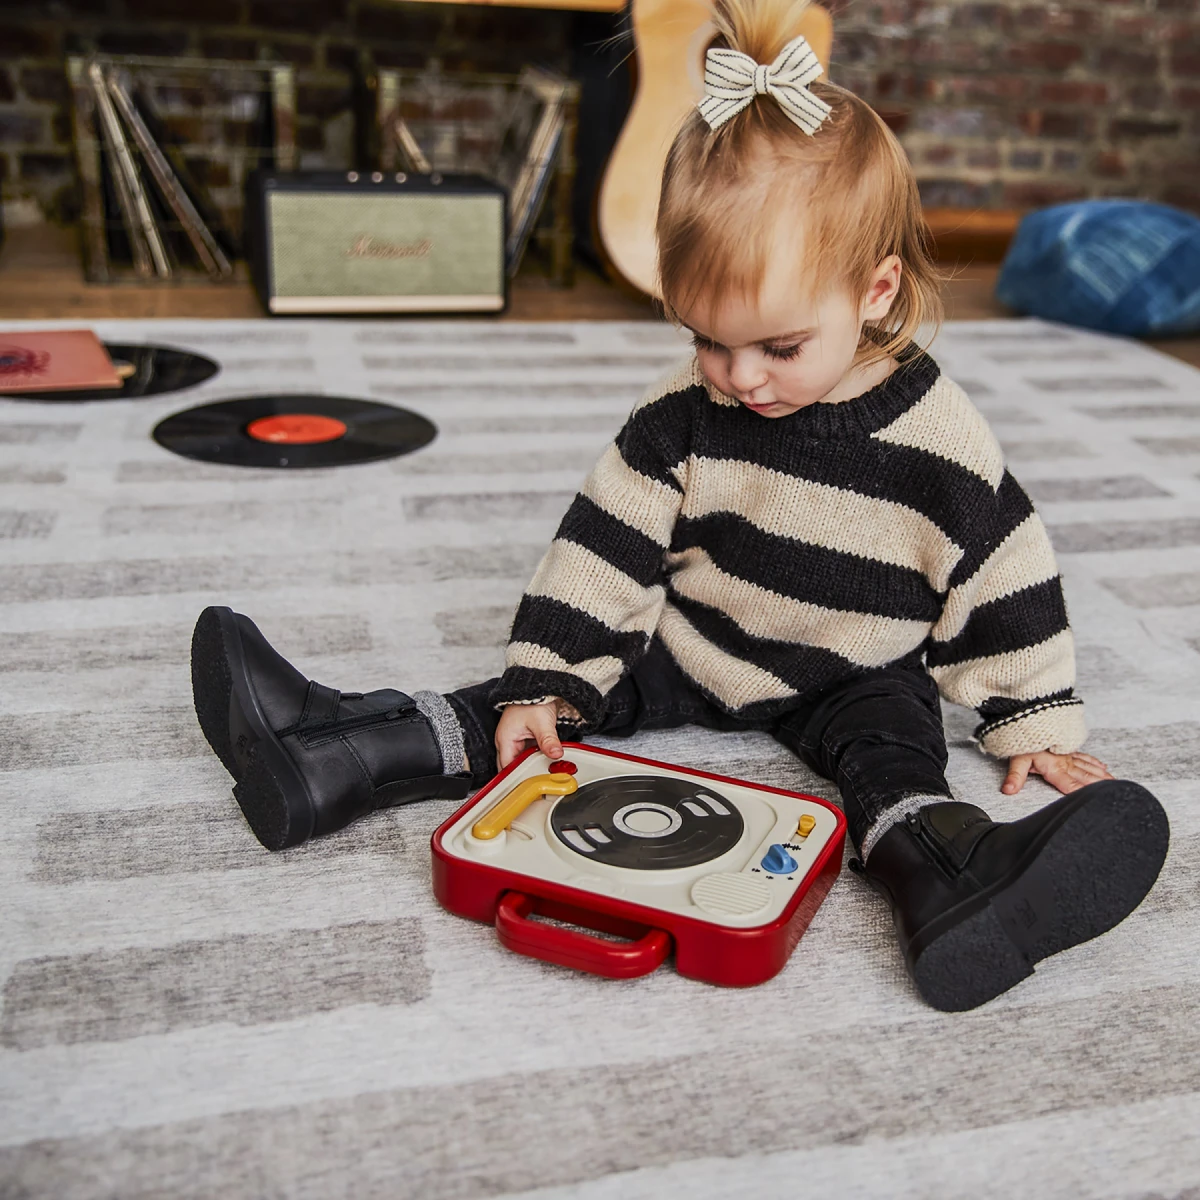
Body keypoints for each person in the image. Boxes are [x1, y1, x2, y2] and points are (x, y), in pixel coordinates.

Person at [189, 0, 1169, 1012]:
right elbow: (604, 545)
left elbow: (1003, 569)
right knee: (541, 713)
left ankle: (957, 880)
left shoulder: (941, 438)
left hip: (856, 666)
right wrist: (548, 675)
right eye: (707, 338)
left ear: (876, 292)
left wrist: (1031, 718)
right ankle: (338, 751)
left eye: (780, 347)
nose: (740, 376)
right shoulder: (681, 415)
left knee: (895, 757)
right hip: (695, 639)